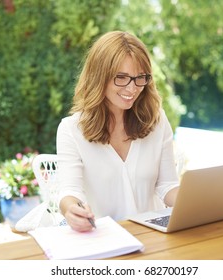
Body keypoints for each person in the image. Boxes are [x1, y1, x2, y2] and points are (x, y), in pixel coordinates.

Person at [56, 31, 179, 232]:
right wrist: (72, 209)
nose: (132, 89)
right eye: (121, 78)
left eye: (140, 77)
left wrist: (198, 202)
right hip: (104, 238)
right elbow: (70, 192)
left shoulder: (156, 120)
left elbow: (167, 185)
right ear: (99, 76)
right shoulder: (71, 130)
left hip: (153, 234)